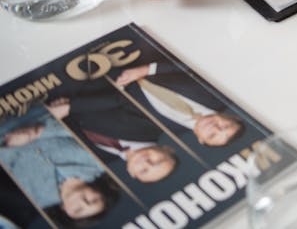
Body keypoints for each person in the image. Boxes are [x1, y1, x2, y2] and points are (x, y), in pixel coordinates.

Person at [0, 108, 122, 223]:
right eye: (93, 201)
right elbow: (79, 129)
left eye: (78, 210)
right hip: (34, 112)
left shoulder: (34, 201)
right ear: (100, 193)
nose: (84, 202)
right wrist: (37, 132)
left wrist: (9, 145)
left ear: (65, 211)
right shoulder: (97, 163)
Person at [46, 95, 179, 183]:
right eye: (158, 161)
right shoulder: (152, 122)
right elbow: (121, 95)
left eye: (144, 170)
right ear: (167, 149)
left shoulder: (98, 159)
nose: (147, 163)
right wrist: (71, 107)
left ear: (131, 173)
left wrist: (58, 116)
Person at [115, 62, 244, 147]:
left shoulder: (164, 130)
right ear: (233, 117)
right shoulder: (221, 93)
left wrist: (120, 86)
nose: (214, 128)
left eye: (212, 135)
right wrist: (146, 69)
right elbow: (194, 64)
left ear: (201, 140)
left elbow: (124, 106)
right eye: (225, 126)